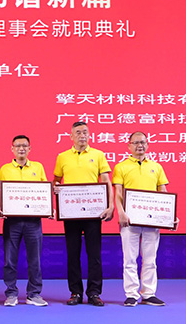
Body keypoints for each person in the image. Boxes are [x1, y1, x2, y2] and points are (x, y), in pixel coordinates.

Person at [113, 131, 178, 307]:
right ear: (129, 146)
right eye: (136, 143)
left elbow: (163, 192)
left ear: (147, 145)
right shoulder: (121, 167)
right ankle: (131, 294)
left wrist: (169, 216)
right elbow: (118, 193)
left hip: (151, 220)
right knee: (129, 259)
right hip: (129, 220)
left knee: (150, 259)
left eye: (142, 142)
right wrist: (121, 213)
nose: (139, 146)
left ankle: (148, 293)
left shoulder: (156, 167)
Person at [53, 121, 114, 306]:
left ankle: (94, 293)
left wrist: (110, 205)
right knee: (73, 254)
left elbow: (106, 181)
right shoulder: (62, 157)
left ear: (89, 135)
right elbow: (56, 180)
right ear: (71, 136)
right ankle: (76, 293)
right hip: (71, 213)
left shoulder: (98, 155)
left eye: (85, 132)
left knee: (94, 254)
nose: (82, 135)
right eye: (78, 132)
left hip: (93, 213)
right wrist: (56, 188)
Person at [0, 135, 49, 307]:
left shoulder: (38, 167)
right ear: (12, 149)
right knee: (10, 260)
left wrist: (48, 207)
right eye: (18, 146)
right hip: (12, 221)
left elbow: (44, 191)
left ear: (29, 148)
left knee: (35, 260)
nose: (21, 149)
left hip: (33, 222)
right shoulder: (5, 169)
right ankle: (11, 293)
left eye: (24, 146)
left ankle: (34, 294)